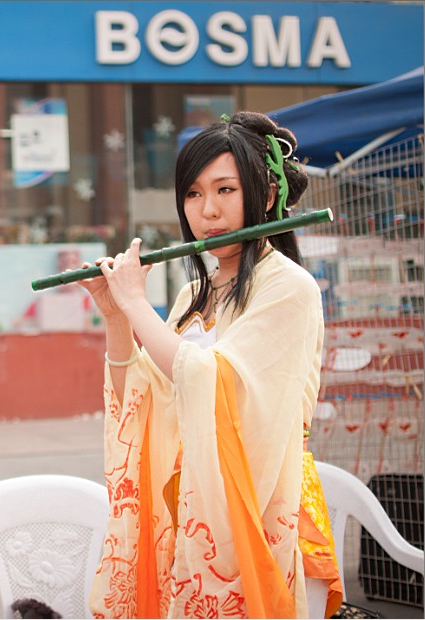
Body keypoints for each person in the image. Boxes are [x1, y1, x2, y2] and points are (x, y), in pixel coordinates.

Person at [80, 112, 341, 618]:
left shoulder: (289, 288)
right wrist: (116, 316)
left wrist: (136, 304)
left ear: (266, 194)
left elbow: (212, 379)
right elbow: (144, 398)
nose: (208, 211)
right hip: (192, 503)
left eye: (226, 190)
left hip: (263, 504)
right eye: (193, 194)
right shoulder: (193, 295)